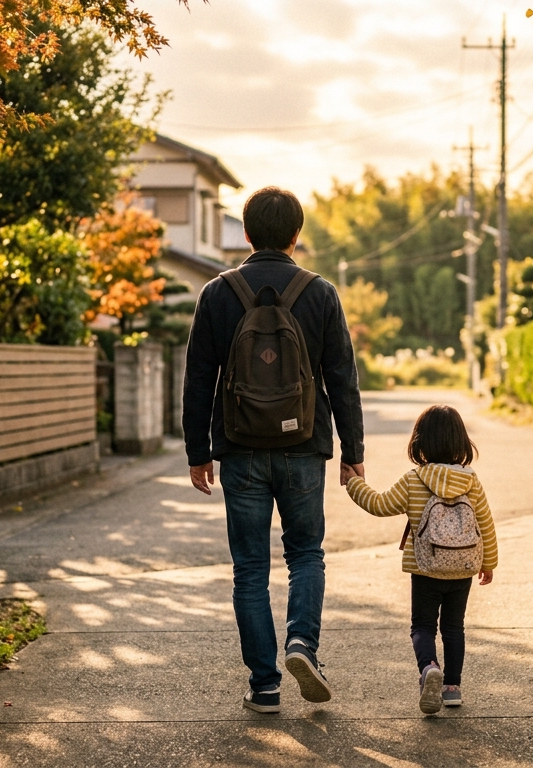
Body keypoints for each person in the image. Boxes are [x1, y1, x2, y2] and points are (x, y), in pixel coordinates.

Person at [183, 186, 365, 715]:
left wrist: (200, 452)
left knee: (249, 569)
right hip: (304, 446)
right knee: (306, 553)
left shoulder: (218, 293)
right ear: (296, 235)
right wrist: (352, 449)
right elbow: (342, 378)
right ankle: (302, 645)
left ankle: (264, 685)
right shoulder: (320, 292)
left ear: (245, 233)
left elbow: (198, 379)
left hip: (239, 449)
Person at [344, 404, 497, 714]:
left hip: (425, 569)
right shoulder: (471, 481)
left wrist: (353, 483)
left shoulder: (414, 479)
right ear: (461, 442)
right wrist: (488, 563)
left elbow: (379, 504)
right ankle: (452, 688)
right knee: (454, 628)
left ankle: (429, 668)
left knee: (423, 627)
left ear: (419, 442)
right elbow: (485, 523)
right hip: (462, 569)